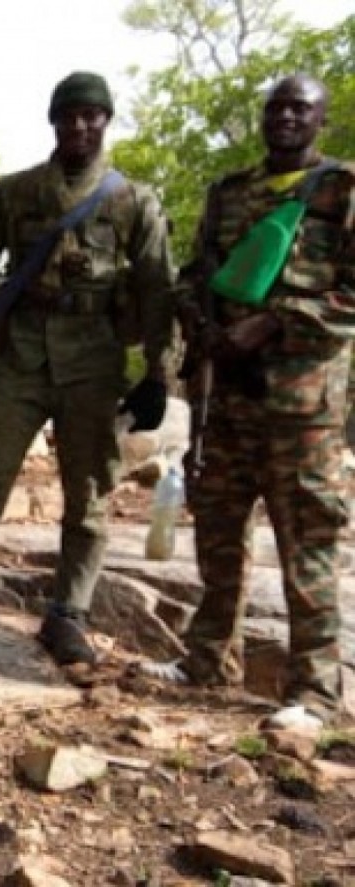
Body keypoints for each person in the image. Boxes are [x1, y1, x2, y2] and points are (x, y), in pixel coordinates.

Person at [0, 72, 175, 666]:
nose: (80, 126)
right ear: (53, 121)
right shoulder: (17, 192)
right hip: (21, 355)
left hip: (95, 361)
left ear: (106, 121)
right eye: (69, 115)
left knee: (90, 496)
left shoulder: (134, 200)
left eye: (92, 116)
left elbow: (158, 289)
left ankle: (67, 615)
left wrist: (160, 374)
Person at [138, 75, 352, 729]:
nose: (285, 116)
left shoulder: (342, 189)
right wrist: (199, 328)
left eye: (299, 108)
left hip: (300, 408)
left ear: (320, 119)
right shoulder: (229, 192)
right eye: (275, 107)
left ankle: (313, 691)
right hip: (225, 396)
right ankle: (207, 658)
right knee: (219, 530)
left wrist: (277, 322)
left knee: (306, 540)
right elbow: (196, 273)